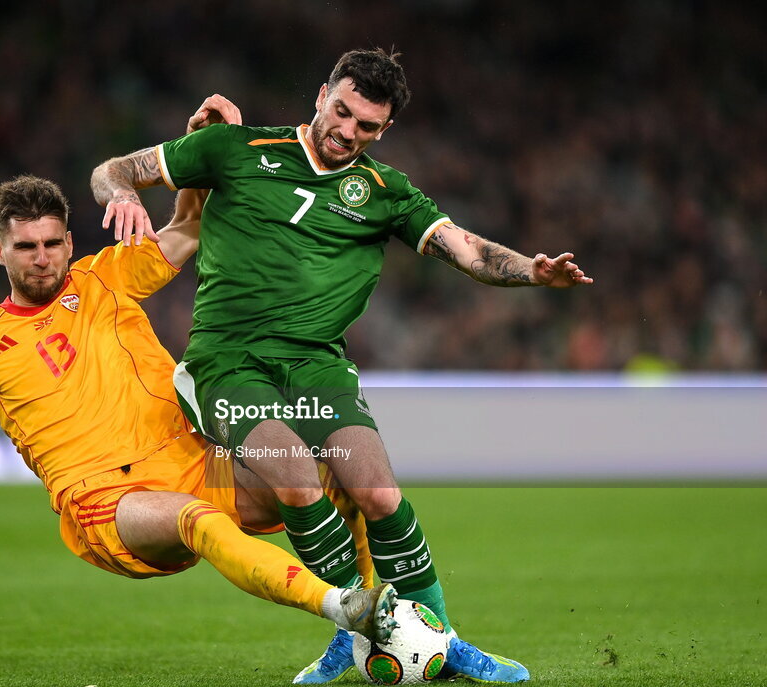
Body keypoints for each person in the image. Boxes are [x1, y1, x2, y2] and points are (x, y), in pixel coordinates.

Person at [91, 49, 594, 684]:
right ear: (324, 93)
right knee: (298, 481)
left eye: (367, 127)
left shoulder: (384, 192)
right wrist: (120, 196)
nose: (348, 132)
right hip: (228, 365)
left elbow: (467, 250)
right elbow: (114, 169)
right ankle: (357, 629)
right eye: (343, 112)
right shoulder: (236, 148)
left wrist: (532, 271)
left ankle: (443, 642)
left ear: (385, 132)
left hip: (317, 365)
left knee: (380, 493)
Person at [0, 171, 401, 665]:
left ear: (70, 242)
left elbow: (192, 222)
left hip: (190, 461)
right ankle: (344, 608)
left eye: (52, 244)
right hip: (104, 502)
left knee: (328, 479)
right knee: (199, 521)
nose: (41, 258)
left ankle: (373, 639)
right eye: (25, 247)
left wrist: (201, 144)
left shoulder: (106, 278)